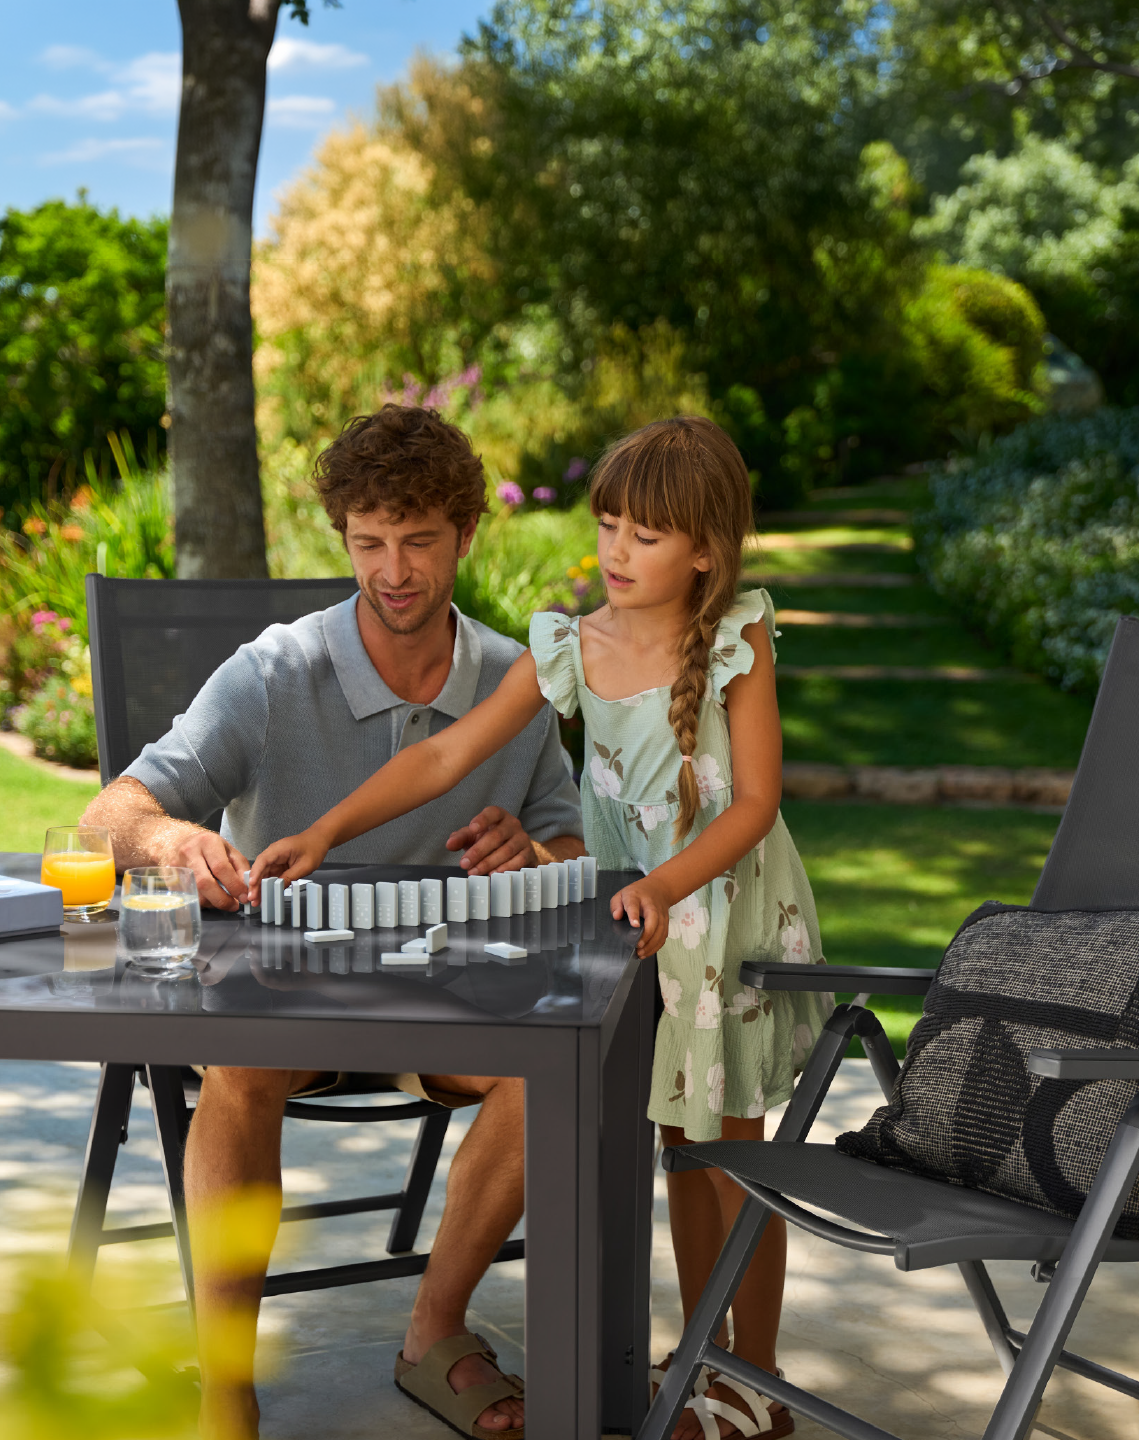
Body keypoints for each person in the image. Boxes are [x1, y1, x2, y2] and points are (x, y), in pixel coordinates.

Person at [253, 416, 830, 1440]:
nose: (615, 551)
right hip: (638, 930)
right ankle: (708, 1356)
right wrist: (324, 829)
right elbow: (440, 758)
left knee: (729, 1153)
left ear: (705, 548)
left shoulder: (738, 638)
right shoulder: (572, 644)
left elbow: (751, 808)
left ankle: (758, 1378)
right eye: (608, 524)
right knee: (676, 1148)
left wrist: (662, 885)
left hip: (724, 915)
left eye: (645, 535)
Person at [80, 404, 586, 1440]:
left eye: (418, 542)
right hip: (287, 999)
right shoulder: (274, 672)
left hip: (453, 1000)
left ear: (467, 534)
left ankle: (434, 1336)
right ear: (342, 537)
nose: (393, 570)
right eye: (368, 544)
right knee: (239, 1065)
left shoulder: (513, 682)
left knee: (559, 1073)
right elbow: (112, 813)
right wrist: (177, 844)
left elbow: (578, 854)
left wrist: (536, 854)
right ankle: (226, 1379)